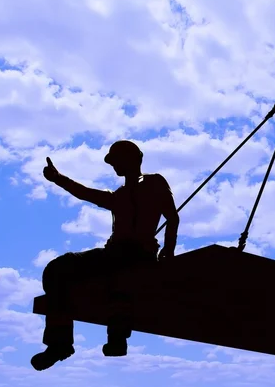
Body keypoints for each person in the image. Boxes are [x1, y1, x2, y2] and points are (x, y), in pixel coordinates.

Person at [31, 140, 179, 371]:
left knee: (120, 275)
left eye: (116, 160)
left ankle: (117, 337)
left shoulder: (155, 182)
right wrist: (58, 178)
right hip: (113, 253)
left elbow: (172, 217)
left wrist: (168, 251)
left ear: (131, 159)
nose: (113, 166)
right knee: (57, 269)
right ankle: (59, 344)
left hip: (139, 256)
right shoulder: (117, 196)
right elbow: (84, 193)